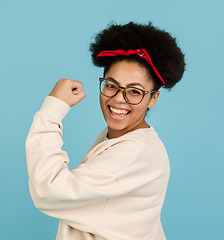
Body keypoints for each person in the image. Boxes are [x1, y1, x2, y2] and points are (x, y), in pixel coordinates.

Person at [25, 22, 186, 240]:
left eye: (135, 91)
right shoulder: (120, 137)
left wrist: (52, 110)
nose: (119, 98)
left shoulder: (134, 152)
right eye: (111, 85)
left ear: (153, 98)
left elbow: (50, 191)